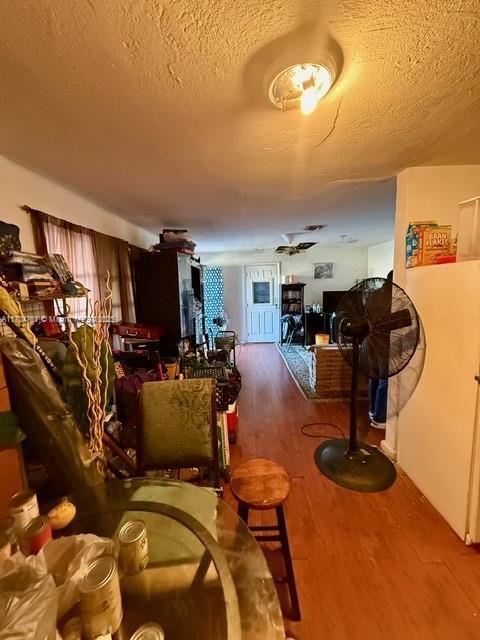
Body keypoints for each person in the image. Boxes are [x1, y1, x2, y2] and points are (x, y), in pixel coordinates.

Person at [367, 271, 393, 430]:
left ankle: (372, 409)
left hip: (370, 339)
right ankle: (379, 416)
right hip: (385, 342)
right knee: (385, 378)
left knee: (374, 375)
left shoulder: (373, 295)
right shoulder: (393, 297)